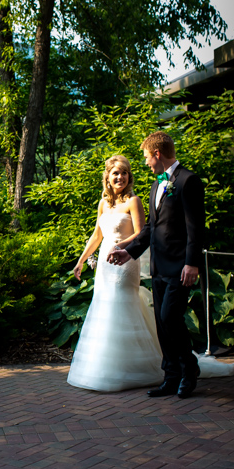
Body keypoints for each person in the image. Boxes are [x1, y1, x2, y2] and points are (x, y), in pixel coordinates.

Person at [108, 132, 211, 398]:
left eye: (145, 157)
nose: (144, 163)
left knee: (170, 318)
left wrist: (192, 263)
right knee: (162, 324)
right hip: (157, 267)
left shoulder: (188, 181)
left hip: (180, 267)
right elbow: (151, 229)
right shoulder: (157, 185)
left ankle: (189, 369)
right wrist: (128, 252)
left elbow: (195, 228)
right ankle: (171, 376)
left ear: (157, 154)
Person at [66, 155, 166, 393]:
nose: (120, 177)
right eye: (115, 174)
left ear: (129, 177)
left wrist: (121, 247)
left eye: (124, 173)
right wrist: (81, 261)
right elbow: (96, 236)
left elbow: (142, 234)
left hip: (125, 261)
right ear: (108, 178)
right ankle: (104, 368)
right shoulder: (103, 204)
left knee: (121, 305)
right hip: (104, 263)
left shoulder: (134, 201)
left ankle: (135, 368)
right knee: (104, 306)